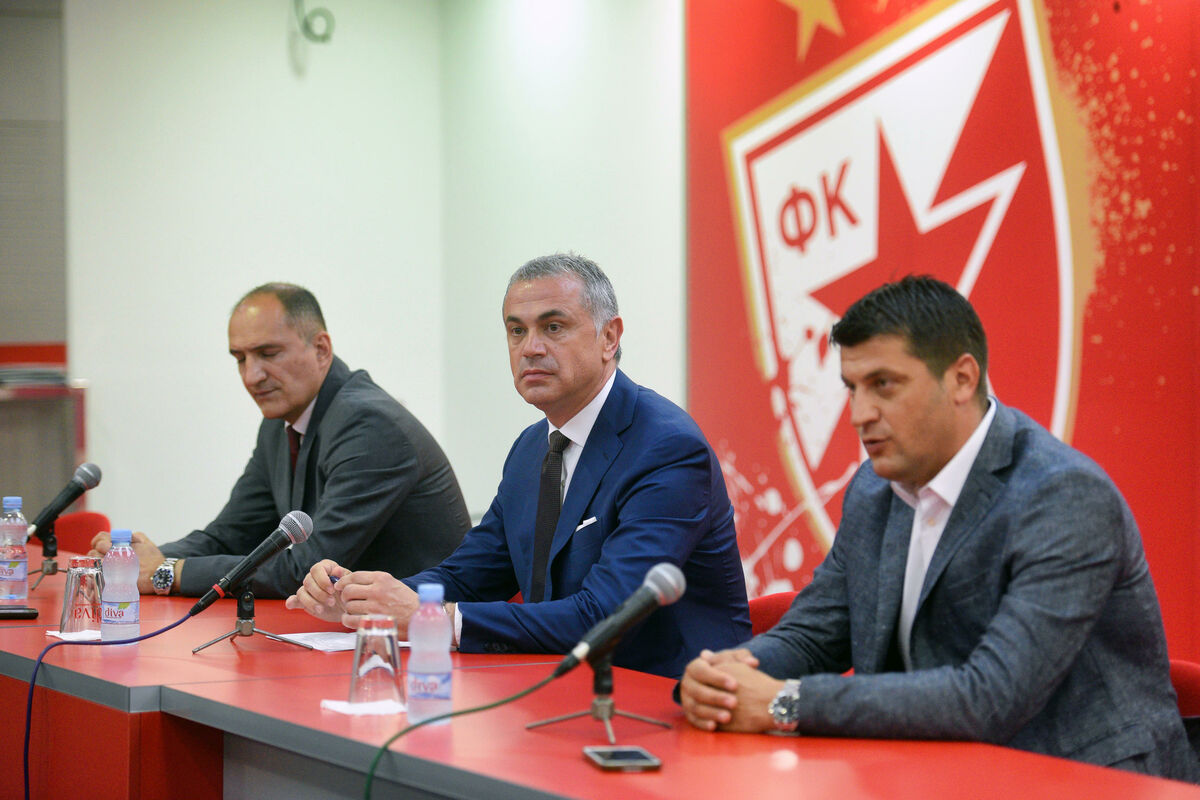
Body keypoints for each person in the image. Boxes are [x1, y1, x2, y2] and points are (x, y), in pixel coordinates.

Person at [679, 276, 1198, 782]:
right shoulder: (874, 489)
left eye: (883, 385)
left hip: (1086, 778)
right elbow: (815, 635)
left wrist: (785, 703)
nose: (860, 414)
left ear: (962, 379)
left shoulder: (1064, 497)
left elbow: (991, 696)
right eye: (852, 389)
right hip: (935, 771)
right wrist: (733, 674)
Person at [287, 253, 750, 679]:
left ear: (609, 338)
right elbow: (468, 576)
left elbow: (603, 615)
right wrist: (361, 598)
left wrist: (430, 618)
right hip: (554, 688)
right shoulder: (532, 448)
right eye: (516, 331)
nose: (530, 348)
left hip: (665, 700)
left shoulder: (666, 448)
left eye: (553, 327)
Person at [91, 283, 471, 599]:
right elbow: (230, 535)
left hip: (423, 640)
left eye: (267, 354)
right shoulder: (279, 424)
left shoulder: (370, 426)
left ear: (321, 349)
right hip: (346, 630)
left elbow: (306, 568)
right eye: (240, 358)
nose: (251, 376)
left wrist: (167, 572)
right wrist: (136, 560)